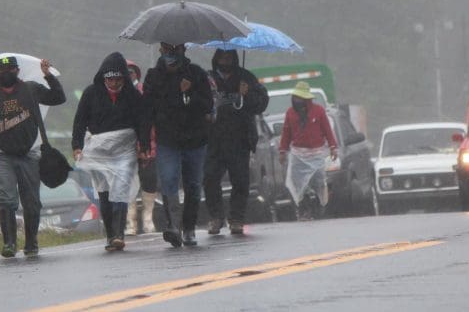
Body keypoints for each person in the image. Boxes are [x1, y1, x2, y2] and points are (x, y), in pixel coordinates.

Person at [0, 55, 66, 258]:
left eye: (11, 70)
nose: (7, 74)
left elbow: (58, 98)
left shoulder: (31, 89)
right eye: (2, 72)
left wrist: (48, 76)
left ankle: (31, 242)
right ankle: (9, 243)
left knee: (31, 201)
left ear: (18, 71)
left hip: (30, 153)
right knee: (5, 198)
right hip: (3, 154)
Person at [142, 42, 213, 247]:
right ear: (161, 51)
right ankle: (173, 226)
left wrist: (190, 92)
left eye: (176, 50)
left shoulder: (197, 74)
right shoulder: (153, 76)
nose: (171, 55)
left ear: (184, 51)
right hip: (167, 140)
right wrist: (145, 140)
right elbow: (147, 110)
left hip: (195, 140)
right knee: (169, 180)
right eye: (167, 50)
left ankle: (189, 227)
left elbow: (208, 105)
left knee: (193, 184)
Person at [72, 52, 145, 251]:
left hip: (124, 150)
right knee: (104, 192)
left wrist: (144, 147)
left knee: (120, 189)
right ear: (103, 77)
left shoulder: (133, 95)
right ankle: (110, 234)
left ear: (124, 78)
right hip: (98, 151)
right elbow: (79, 121)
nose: (113, 83)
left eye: (118, 79)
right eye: (110, 79)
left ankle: (119, 234)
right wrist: (76, 145)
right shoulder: (90, 93)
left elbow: (142, 122)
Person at [204, 49, 268, 235]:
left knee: (240, 180)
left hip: (239, 139)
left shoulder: (246, 77)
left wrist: (247, 94)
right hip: (213, 139)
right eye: (222, 55)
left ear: (235, 57)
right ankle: (216, 217)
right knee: (209, 178)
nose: (226, 59)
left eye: (229, 56)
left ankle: (236, 218)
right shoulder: (208, 79)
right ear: (216, 58)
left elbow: (261, 104)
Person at [278, 81, 338, 221]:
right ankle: (304, 208)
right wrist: (282, 151)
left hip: (316, 154)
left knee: (318, 182)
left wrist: (333, 147)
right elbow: (286, 133)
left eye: (300, 98)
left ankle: (319, 207)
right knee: (298, 183)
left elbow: (327, 130)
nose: (297, 101)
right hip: (298, 155)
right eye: (295, 98)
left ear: (307, 99)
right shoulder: (290, 113)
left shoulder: (319, 111)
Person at [125, 60, 157, 236]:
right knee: (129, 183)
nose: (128, 74)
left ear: (136, 73)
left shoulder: (145, 91)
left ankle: (148, 219)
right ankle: (131, 222)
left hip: (148, 144)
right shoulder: (117, 95)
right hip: (125, 147)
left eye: (131, 71)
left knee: (149, 181)